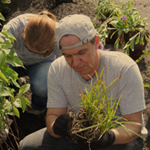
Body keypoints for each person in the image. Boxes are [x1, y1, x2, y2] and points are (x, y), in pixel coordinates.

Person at [19, 14, 147, 150]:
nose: (75, 62)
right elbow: (53, 115)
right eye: (67, 55)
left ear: (96, 42)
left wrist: (108, 137)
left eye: (81, 52)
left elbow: (134, 125)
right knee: (27, 146)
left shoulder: (124, 68)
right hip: (78, 133)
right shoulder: (57, 69)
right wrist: (57, 127)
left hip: (117, 138)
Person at [3, 10, 62, 115]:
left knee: (43, 87)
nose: (34, 54)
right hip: (15, 61)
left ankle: (38, 107)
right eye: (30, 49)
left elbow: (64, 66)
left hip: (43, 64)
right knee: (4, 79)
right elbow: (1, 55)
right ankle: (12, 90)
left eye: (40, 52)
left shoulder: (59, 35)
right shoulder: (14, 29)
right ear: (23, 34)